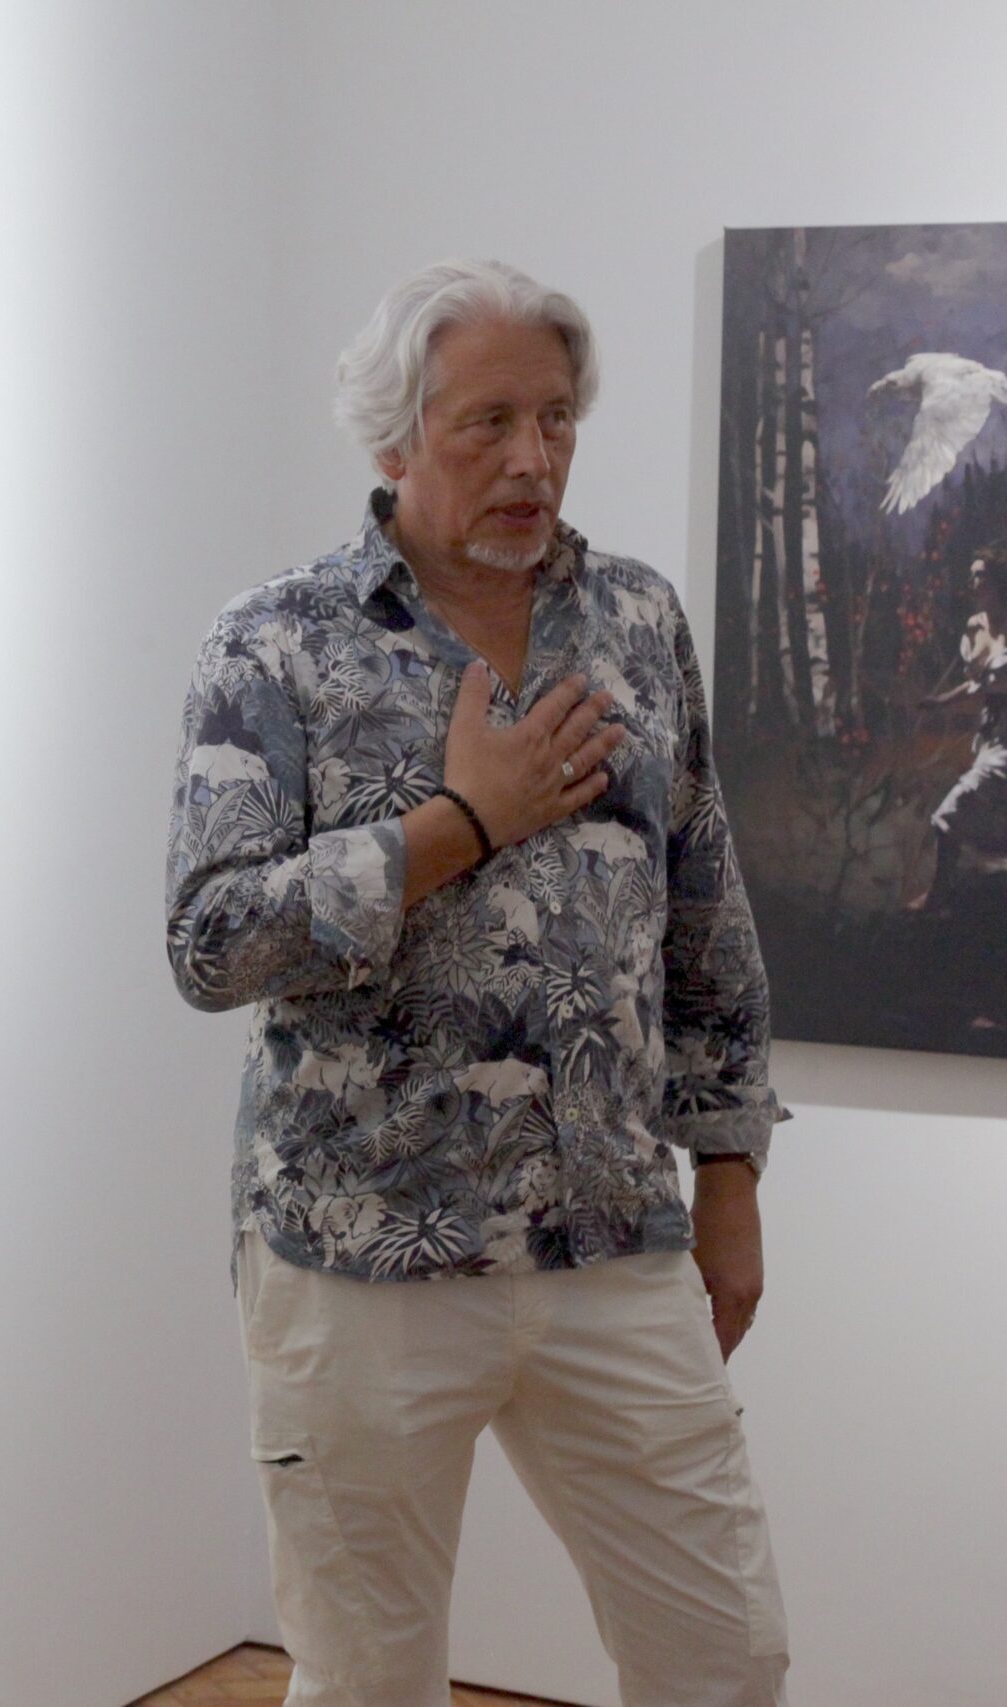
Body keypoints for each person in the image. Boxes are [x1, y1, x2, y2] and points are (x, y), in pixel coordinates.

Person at [166, 259, 791, 1707]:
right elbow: (209, 939)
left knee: (726, 1654)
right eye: (488, 422)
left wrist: (731, 1178)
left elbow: (707, 917)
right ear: (396, 438)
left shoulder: (637, 621)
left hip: (612, 1237)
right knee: (368, 1678)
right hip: (360, 1253)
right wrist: (457, 824)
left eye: (556, 418)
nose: (532, 458)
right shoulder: (276, 641)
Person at [913, 544, 1007, 910]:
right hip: (992, 734)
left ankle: (937, 896)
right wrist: (940, 702)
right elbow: (978, 685)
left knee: (953, 808)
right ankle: (947, 895)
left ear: (998, 581)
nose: (973, 583)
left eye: (980, 576)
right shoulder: (975, 628)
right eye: (972, 576)